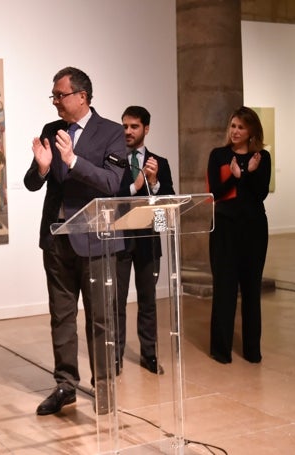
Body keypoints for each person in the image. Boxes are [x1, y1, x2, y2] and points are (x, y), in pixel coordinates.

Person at [24, 67, 125, 415]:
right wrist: (41, 167)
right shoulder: (51, 131)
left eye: (60, 95)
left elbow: (113, 184)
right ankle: (65, 385)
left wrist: (73, 161)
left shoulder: (112, 132)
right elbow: (32, 182)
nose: (54, 102)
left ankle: (105, 387)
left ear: (81, 97)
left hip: (96, 240)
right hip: (57, 241)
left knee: (100, 318)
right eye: (53, 95)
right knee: (61, 317)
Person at [206, 106, 271, 364]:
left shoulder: (262, 157)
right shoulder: (218, 155)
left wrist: (248, 174)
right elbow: (216, 193)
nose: (235, 131)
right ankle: (221, 350)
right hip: (224, 229)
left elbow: (261, 193)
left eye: (241, 127)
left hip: (254, 230)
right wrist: (236, 177)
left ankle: (252, 350)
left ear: (252, 130)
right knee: (224, 289)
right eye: (233, 126)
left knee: (252, 290)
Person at [115, 106, 175, 375]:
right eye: (125, 126)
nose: (128, 131)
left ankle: (149, 355)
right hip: (120, 240)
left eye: (134, 126)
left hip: (149, 241)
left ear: (146, 129)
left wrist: (155, 182)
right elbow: (110, 197)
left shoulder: (158, 161)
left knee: (148, 301)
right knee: (116, 302)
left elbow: (170, 199)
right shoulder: (113, 159)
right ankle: (114, 356)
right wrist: (136, 186)